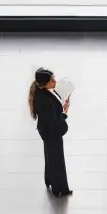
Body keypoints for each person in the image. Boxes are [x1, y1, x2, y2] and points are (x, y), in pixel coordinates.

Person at [29, 68, 72, 197]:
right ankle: (59, 189)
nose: (55, 82)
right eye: (52, 81)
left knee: (50, 156)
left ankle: (49, 180)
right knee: (58, 160)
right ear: (45, 84)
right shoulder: (45, 101)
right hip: (52, 133)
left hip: (45, 131)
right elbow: (55, 123)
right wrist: (65, 112)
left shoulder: (40, 93)